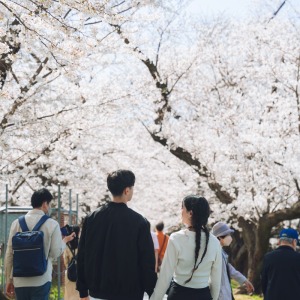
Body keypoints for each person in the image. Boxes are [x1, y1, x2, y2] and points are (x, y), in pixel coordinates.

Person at [76, 169, 157, 300]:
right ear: (127, 190)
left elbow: (82, 255)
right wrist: (151, 290)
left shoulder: (91, 218)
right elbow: (146, 262)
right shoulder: (139, 222)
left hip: (98, 291)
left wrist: (83, 290)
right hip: (130, 292)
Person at [4, 188, 75, 300]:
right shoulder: (52, 224)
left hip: (19, 280)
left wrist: (8, 279)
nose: (50, 207)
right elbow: (55, 252)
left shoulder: (16, 223)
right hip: (41, 279)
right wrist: (65, 241)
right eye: (49, 204)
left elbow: (9, 254)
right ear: (44, 204)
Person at [150, 195, 222, 300]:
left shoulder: (176, 238)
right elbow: (216, 280)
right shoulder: (215, 242)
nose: (181, 211)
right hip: (203, 296)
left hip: (178, 295)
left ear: (190, 213)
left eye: (182, 207)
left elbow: (165, 277)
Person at [212, 222, 254, 300]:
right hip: (219, 295)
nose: (230, 237)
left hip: (224, 294)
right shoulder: (214, 253)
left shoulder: (220, 252)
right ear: (220, 237)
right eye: (228, 235)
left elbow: (230, 270)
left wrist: (244, 280)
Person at [261, 228, 300, 300]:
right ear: (294, 242)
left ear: (279, 241)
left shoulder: (268, 257)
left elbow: (264, 281)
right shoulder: (298, 258)